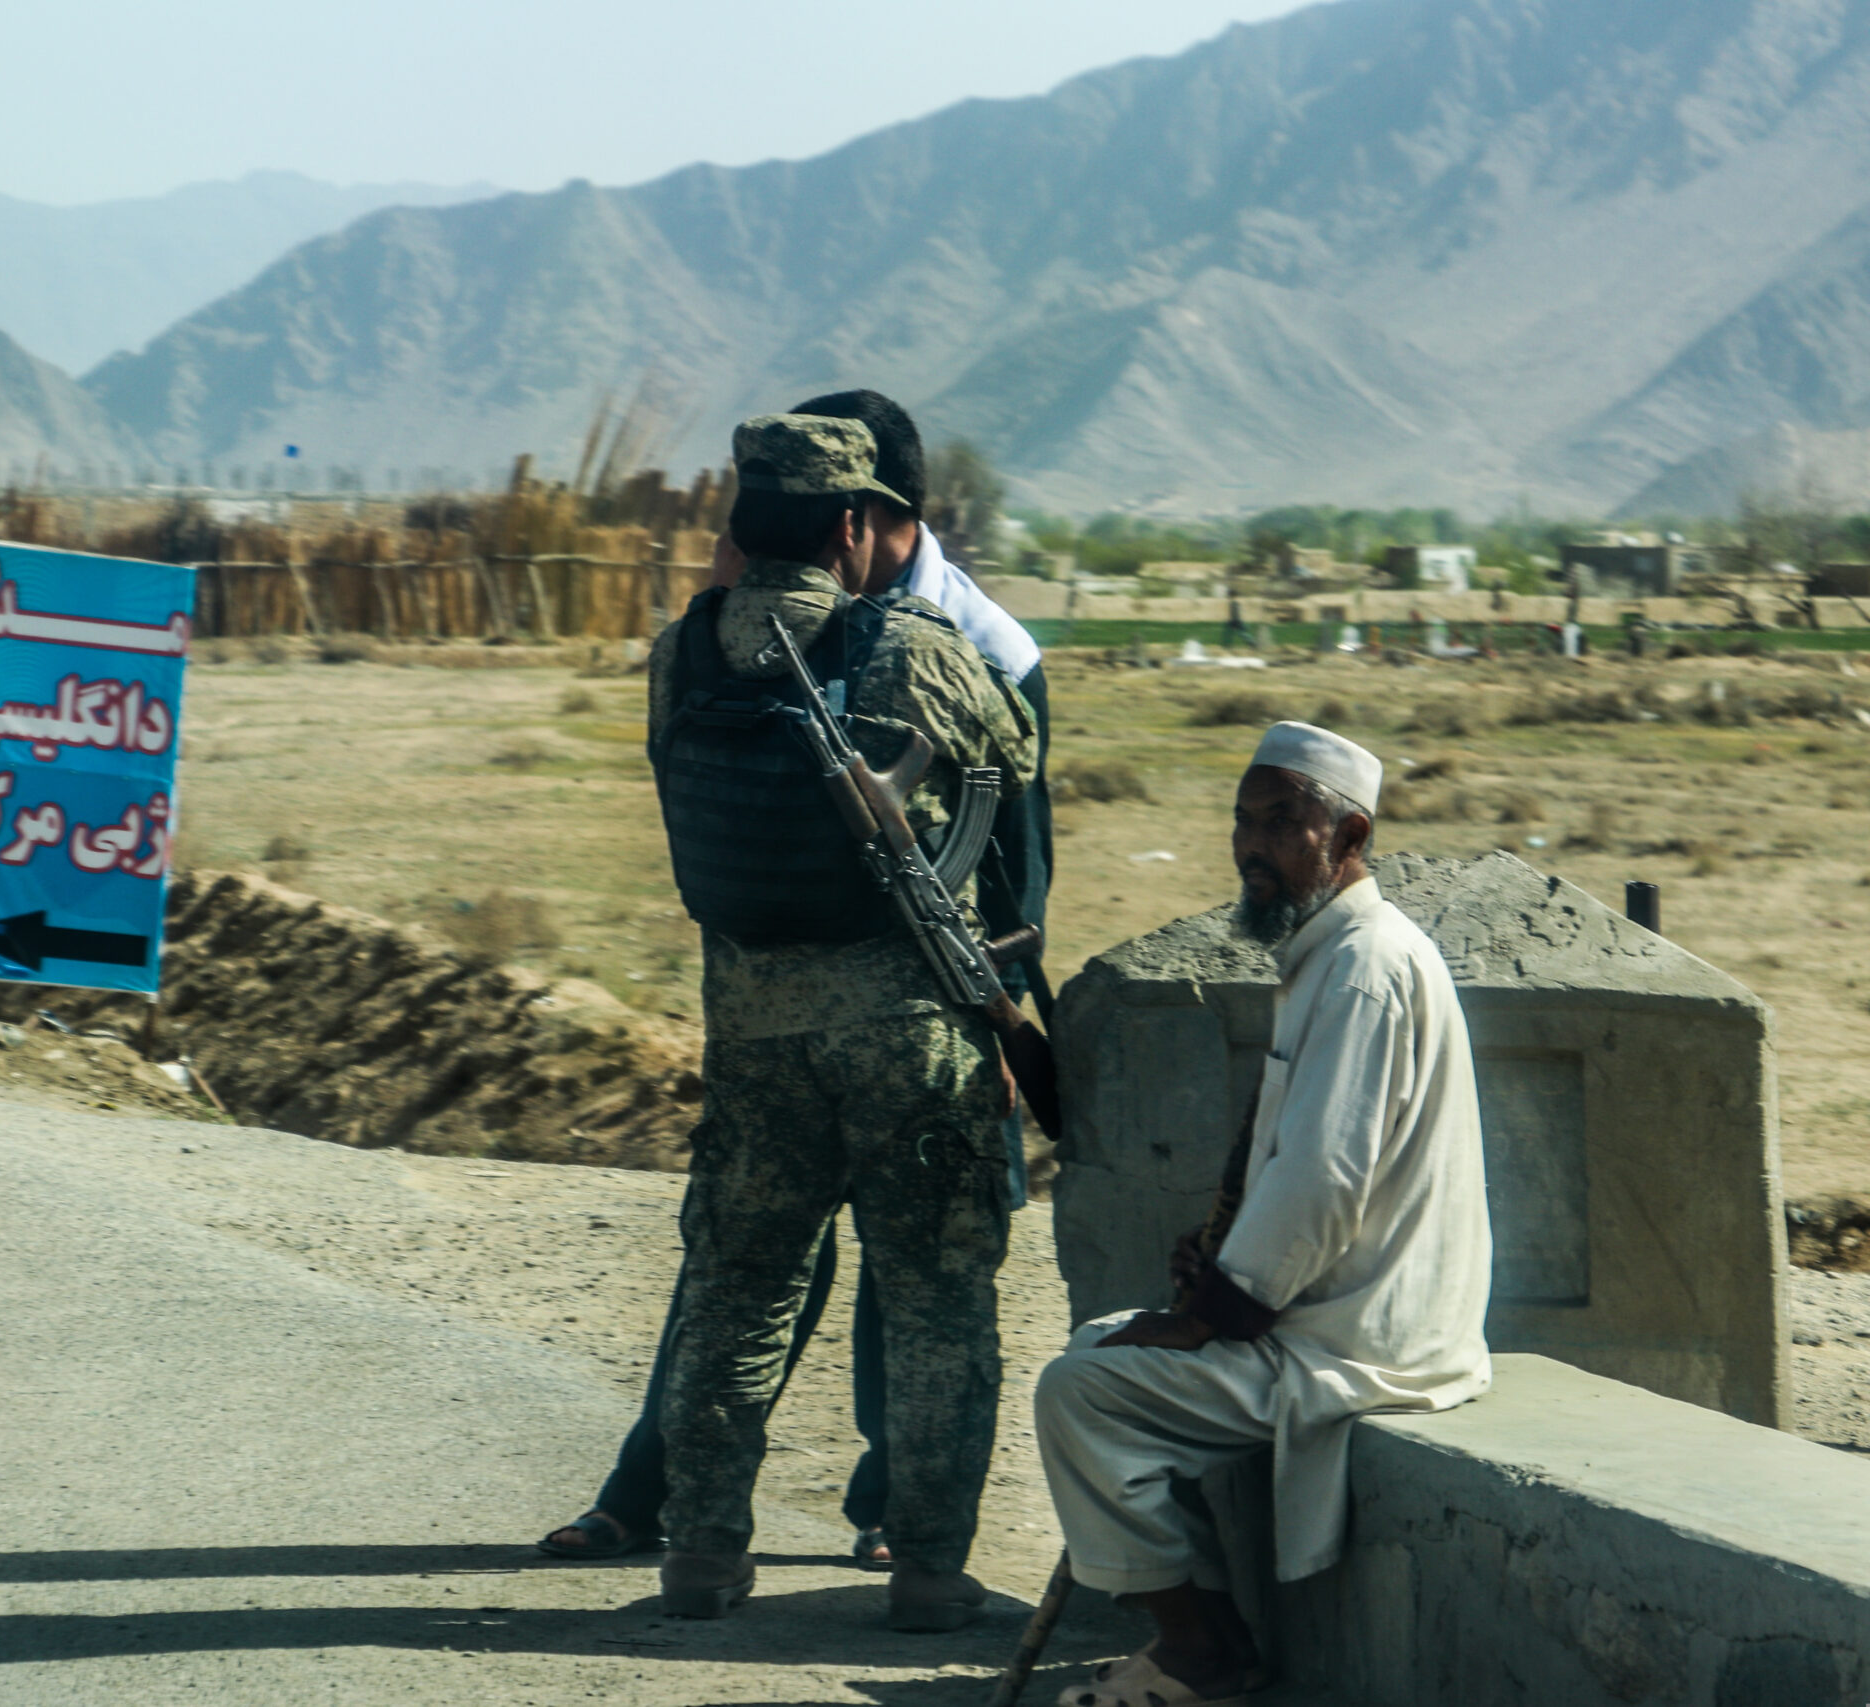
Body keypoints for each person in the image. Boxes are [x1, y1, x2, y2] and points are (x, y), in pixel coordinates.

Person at [539, 392, 1052, 1570]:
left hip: (751, 1034)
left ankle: (700, 1555)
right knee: (934, 1304)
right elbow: (1010, 762)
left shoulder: (681, 652)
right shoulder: (923, 649)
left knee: (736, 1292)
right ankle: (924, 1571)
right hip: (907, 1042)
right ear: (848, 530)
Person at [1032, 721, 1493, 1706]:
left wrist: (1216, 1312)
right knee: (1102, 1345)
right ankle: (1196, 1635)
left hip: (1360, 1343)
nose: (1252, 845)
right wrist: (1215, 1265)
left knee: (1079, 1391)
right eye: (1243, 821)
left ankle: (1203, 1653)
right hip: (1347, 1316)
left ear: (1350, 834)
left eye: (1284, 821)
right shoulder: (1332, 954)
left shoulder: (1363, 968)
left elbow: (1322, 1179)